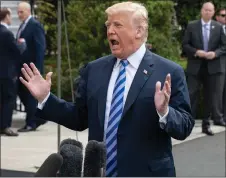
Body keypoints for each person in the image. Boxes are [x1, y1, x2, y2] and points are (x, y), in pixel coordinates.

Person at [19, 2, 194, 177]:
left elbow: (184, 126)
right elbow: (79, 118)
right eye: (108, 25)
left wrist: (164, 112)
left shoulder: (168, 72)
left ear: (139, 31)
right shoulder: (94, 70)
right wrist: (46, 98)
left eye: (117, 25)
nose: (110, 30)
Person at [182, 2, 226, 136]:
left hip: (212, 67)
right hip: (195, 66)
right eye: (206, 10)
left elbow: (224, 46)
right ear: (202, 11)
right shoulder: (192, 25)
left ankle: (206, 125)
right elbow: (185, 45)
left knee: (209, 96)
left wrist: (215, 53)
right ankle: (187, 123)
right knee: (191, 95)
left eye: (210, 10)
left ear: (213, 13)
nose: (208, 12)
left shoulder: (218, 27)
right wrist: (196, 52)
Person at [16, 2, 47, 132]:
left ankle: (31, 123)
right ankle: (38, 118)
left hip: (32, 69)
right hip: (23, 68)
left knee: (30, 96)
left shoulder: (35, 25)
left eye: (21, 12)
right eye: (18, 12)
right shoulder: (22, 26)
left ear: (28, 11)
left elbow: (40, 48)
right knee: (21, 92)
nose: (18, 14)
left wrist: (37, 70)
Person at [0, 7, 26, 136]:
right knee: (9, 99)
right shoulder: (7, 33)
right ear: (6, 16)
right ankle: (5, 126)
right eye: (10, 16)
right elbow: (17, 50)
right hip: (7, 73)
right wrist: (22, 44)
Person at [215, 7, 226, 122]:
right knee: (218, 92)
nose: (225, 17)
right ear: (217, 17)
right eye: (223, 15)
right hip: (217, 65)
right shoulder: (214, 29)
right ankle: (218, 117)